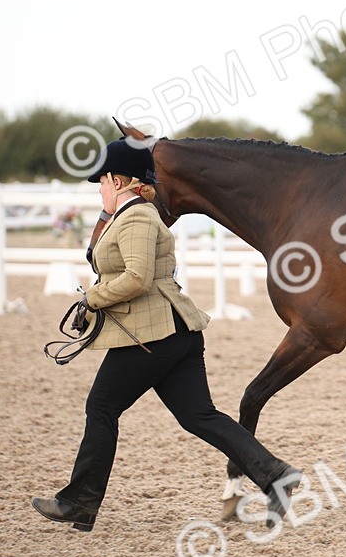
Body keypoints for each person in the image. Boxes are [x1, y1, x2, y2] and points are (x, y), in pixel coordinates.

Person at [32, 138, 300, 532]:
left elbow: (137, 278)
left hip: (152, 338)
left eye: (102, 183)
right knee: (199, 416)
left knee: (101, 407)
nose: (100, 191)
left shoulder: (137, 218)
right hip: (172, 335)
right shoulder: (130, 216)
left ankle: (79, 502)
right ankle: (275, 474)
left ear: (119, 181)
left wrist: (92, 298)